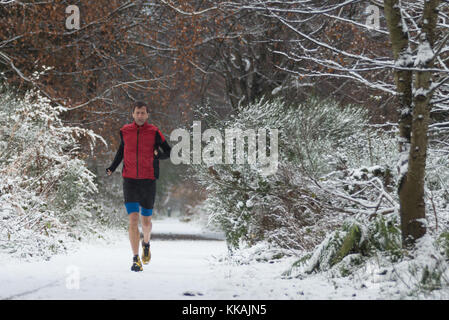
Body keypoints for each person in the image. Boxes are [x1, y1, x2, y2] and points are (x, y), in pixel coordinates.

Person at [106, 101, 171, 272]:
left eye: (143, 113)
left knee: (146, 222)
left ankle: (146, 243)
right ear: (133, 114)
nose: (140, 115)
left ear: (147, 115)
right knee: (133, 220)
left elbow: (169, 152)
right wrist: (112, 167)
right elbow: (121, 151)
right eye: (137, 113)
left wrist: (158, 155)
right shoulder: (125, 131)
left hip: (148, 181)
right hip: (130, 181)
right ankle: (135, 259)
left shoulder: (155, 132)